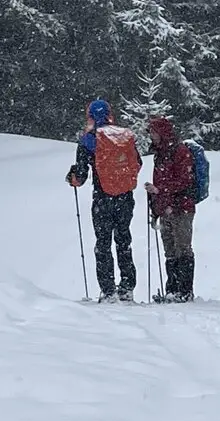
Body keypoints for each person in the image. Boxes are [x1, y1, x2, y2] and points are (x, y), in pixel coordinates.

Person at [66, 98, 142, 302]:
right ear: (109, 114)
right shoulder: (124, 136)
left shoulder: (88, 141)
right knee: (124, 241)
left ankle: (108, 290)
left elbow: (80, 177)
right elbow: (138, 163)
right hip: (125, 197)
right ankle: (127, 287)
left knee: (103, 244)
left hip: (102, 199)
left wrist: (72, 176)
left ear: (91, 116)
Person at [143, 116, 196, 303]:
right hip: (166, 208)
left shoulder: (180, 151)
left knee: (182, 248)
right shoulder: (161, 153)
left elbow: (185, 181)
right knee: (170, 251)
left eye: (154, 132)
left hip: (182, 208)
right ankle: (172, 290)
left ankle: (184, 291)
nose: (152, 136)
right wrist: (157, 206)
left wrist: (160, 190)